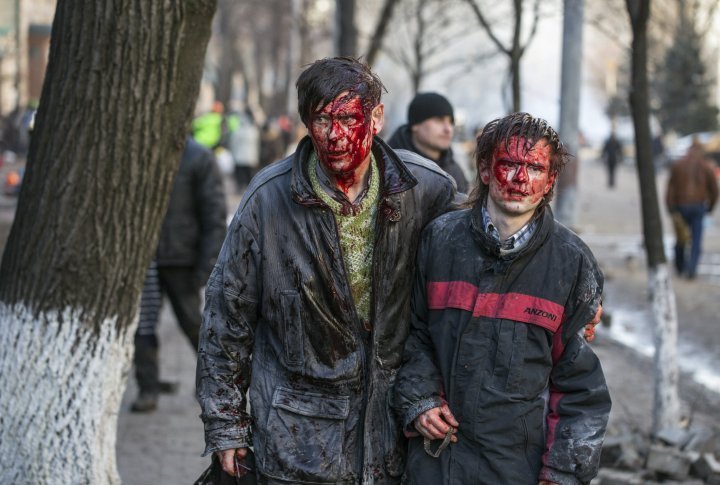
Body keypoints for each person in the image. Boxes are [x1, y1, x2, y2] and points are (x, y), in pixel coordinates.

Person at [195, 57, 459, 483]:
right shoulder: (267, 200)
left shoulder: (425, 189)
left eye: (349, 118)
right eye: (322, 119)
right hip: (295, 438)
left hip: (391, 435)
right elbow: (226, 318)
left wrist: (577, 289)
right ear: (305, 121)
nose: (336, 135)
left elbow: (486, 244)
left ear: (376, 118)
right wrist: (226, 424)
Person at [392, 113, 611, 484]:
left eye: (534, 168)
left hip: (513, 470)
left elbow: (580, 390)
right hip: (434, 465)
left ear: (551, 180)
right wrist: (419, 399)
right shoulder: (439, 242)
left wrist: (561, 474)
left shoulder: (571, 263)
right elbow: (412, 336)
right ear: (484, 170)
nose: (519, 179)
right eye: (508, 164)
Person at [131, 137, 227, 412]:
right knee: (143, 325)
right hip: (145, 258)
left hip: (182, 258)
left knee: (194, 325)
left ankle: (215, 386)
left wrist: (207, 261)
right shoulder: (140, 151)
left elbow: (214, 212)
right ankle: (147, 388)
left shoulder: (197, 157)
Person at [387, 92, 469, 193]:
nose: (448, 129)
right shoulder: (390, 167)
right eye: (439, 120)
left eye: (451, 122)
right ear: (416, 124)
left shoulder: (455, 171)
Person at [665, 139, 718, 279]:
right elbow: (714, 190)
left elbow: (670, 188)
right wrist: (710, 207)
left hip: (681, 205)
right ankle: (691, 269)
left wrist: (670, 206)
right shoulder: (705, 167)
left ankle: (680, 266)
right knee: (696, 239)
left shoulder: (678, 165)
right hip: (698, 206)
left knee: (681, 237)